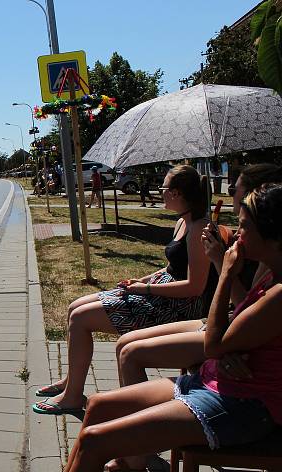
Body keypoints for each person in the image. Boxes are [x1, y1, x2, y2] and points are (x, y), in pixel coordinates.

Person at [64, 184, 282, 472]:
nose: (238, 234)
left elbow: (213, 344)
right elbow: (241, 330)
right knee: (97, 406)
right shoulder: (270, 274)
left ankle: (129, 465)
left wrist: (227, 273)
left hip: (242, 405)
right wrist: (229, 350)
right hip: (214, 383)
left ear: (275, 237)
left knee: (94, 440)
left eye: (244, 227)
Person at [33, 165, 212, 416]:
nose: (160, 192)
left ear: (177, 193)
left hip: (174, 307)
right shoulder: (183, 221)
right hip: (161, 294)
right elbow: (172, 267)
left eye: (164, 188)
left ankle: (73, 395)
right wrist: (141, 280)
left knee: (81, 318)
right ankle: (71, 381)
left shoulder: (198, 229)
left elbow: (195, 286)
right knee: (75, 306)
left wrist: (147, 289)